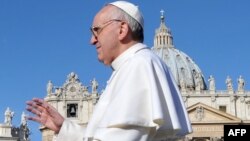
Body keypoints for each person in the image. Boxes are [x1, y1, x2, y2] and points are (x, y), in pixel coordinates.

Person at [26, 1, 192, 141]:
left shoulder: (139, 66)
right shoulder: (131, 66)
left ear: (122, 29)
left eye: (97, 30)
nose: (92, 40)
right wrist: (64, 127)